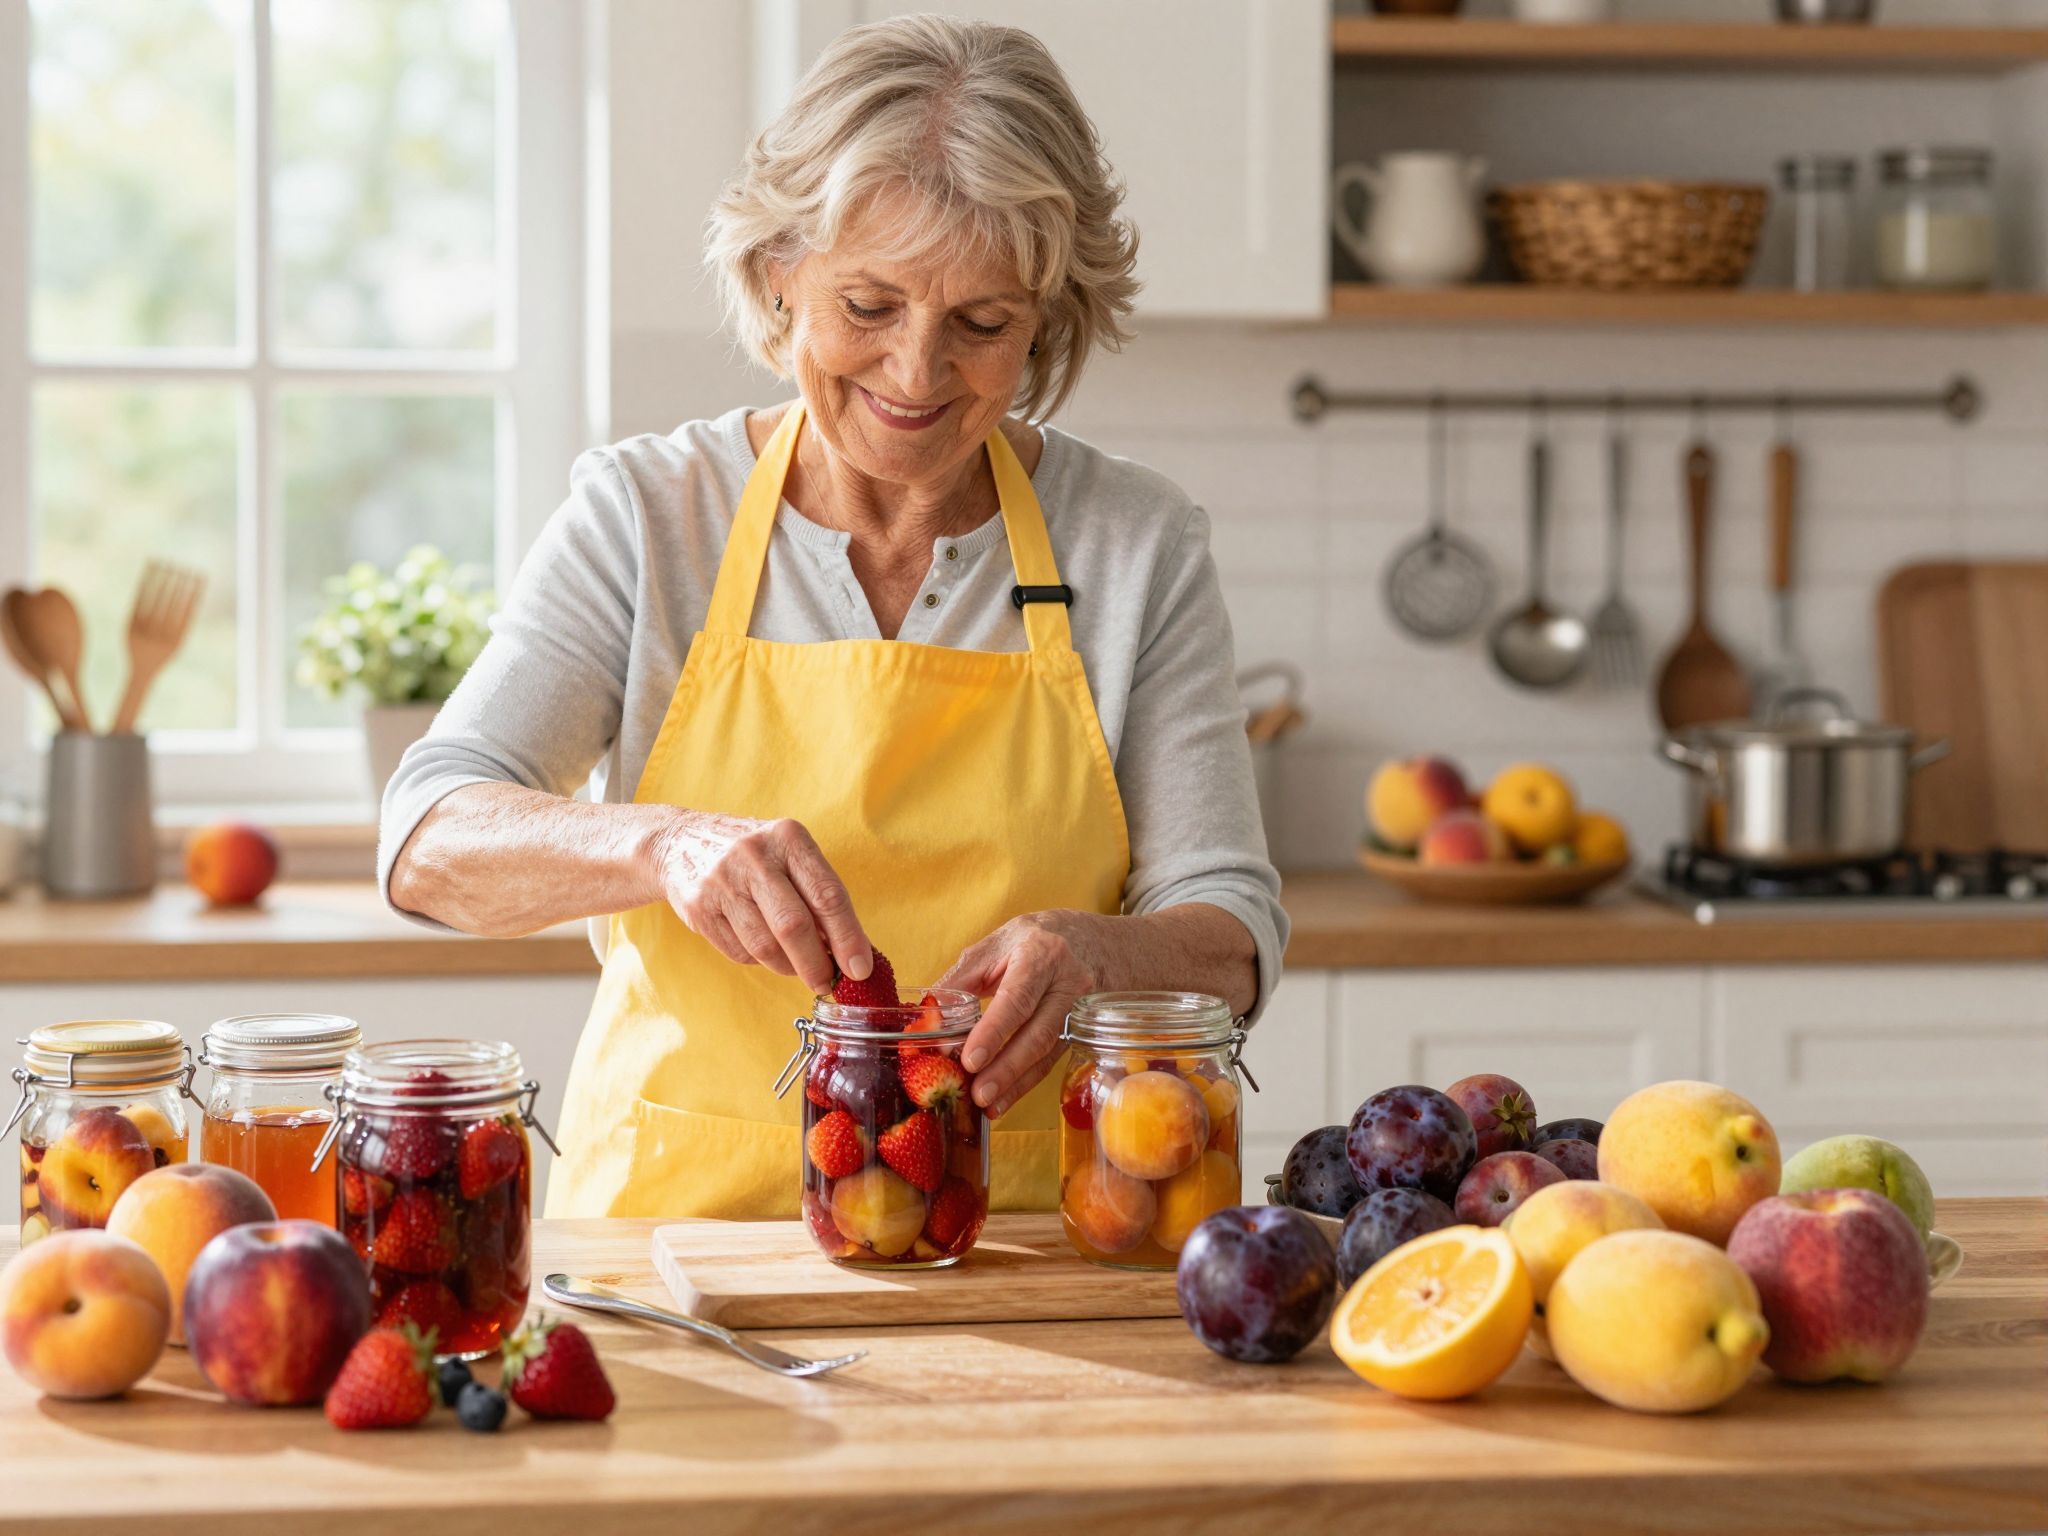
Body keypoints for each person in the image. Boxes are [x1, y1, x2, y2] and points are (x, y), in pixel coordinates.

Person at [380, 14, 1285, 1219]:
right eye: (867, 304)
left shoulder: (1134, 542)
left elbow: (1229, 931)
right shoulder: (650, 516)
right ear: (778, 276)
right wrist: (662, 845)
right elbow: (427, 839)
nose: (914, 374)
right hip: (680, 1249)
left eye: (981, 324)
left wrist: (1100, 958)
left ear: (1044, 324)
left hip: (1020, 1248)